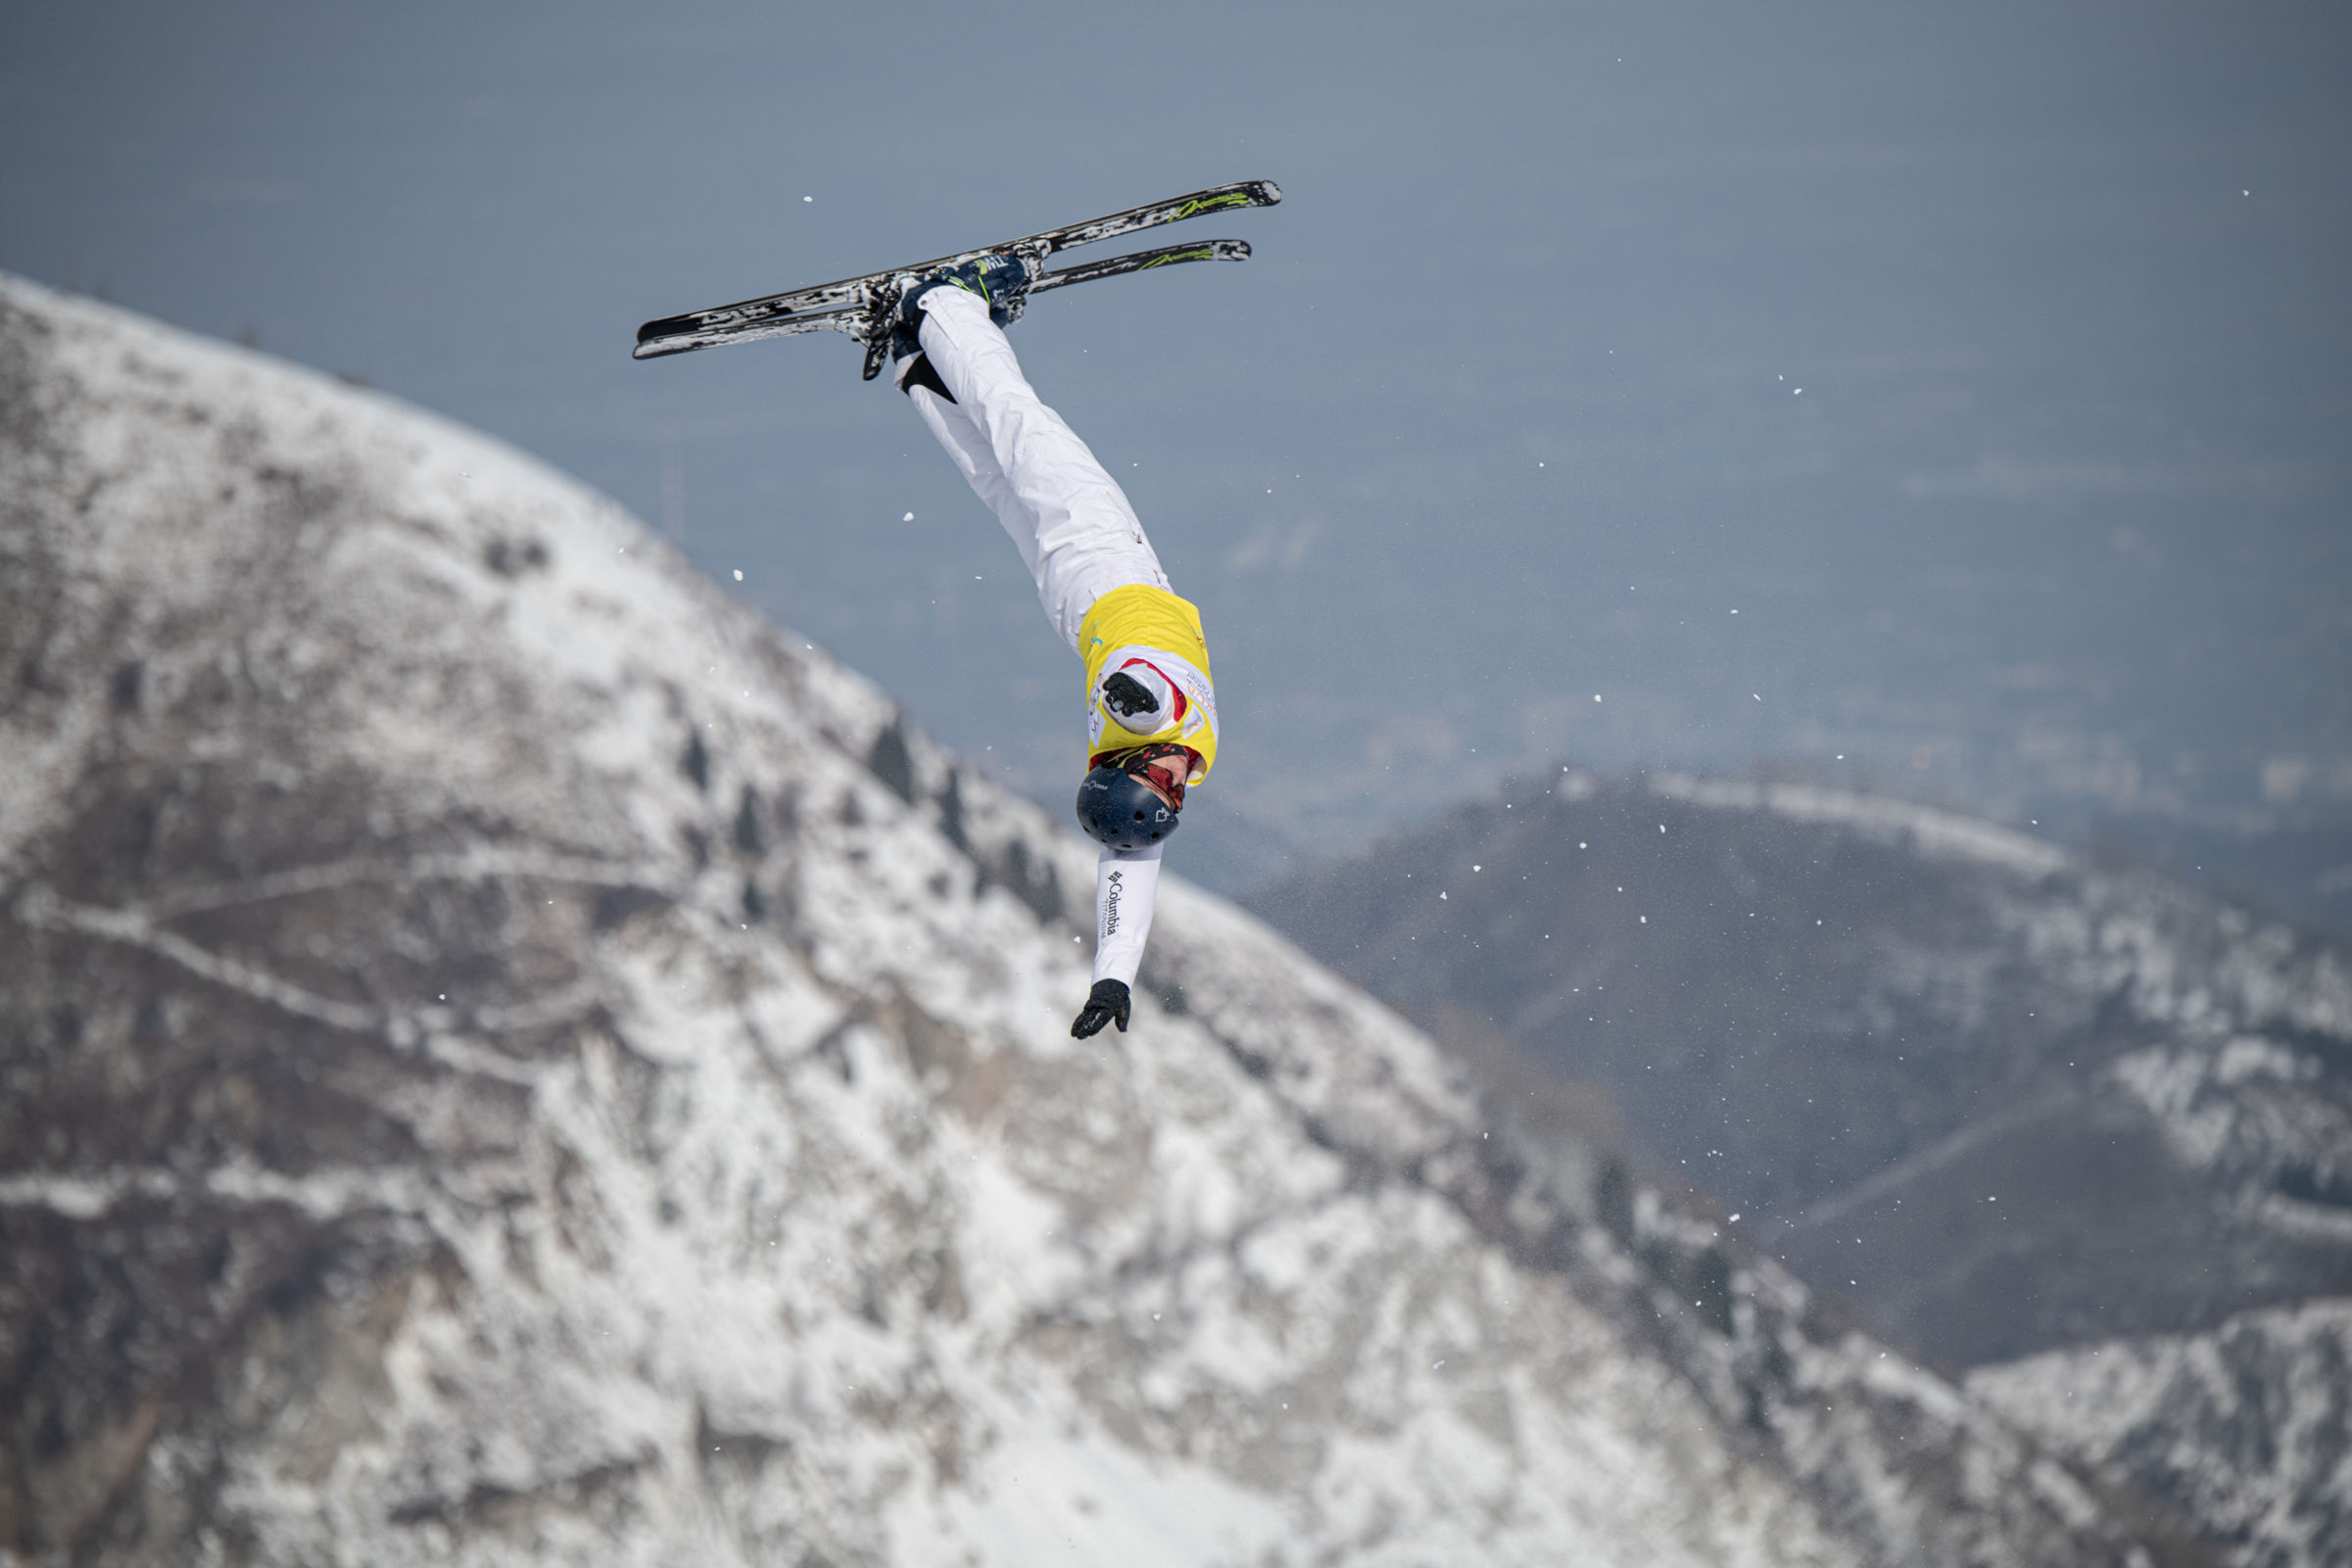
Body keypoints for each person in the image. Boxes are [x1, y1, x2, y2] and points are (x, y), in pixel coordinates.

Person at [888, 254, 1218, 1041]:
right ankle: (917, 361)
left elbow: (1126, 692)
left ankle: (945, 305)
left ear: (1133, 767)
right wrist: (1111, 975)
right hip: (1074, 605)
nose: (1179, 786)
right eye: (1174, 798)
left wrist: (1129, 698)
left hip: (1106, 568)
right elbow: (1126, 878)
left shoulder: (1143, 723)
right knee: (998, 478)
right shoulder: (1136, 797)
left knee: (1022, 427)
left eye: (1164, 788)